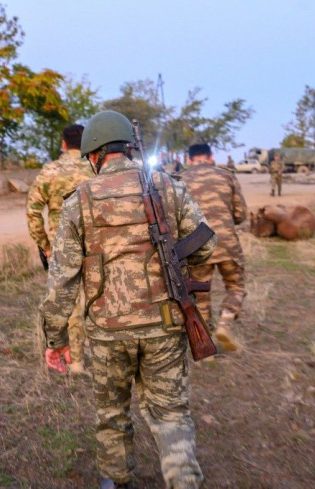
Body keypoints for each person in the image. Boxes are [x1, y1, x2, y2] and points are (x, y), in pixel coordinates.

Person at [40, 110, 216, 489]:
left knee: (111, 413)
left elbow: (61, 282)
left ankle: (117, 481)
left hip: (107, 334)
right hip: (165, 326)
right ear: (130, 147)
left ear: (93, 155)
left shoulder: (79, 201)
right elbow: (206, 246)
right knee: (171, 414)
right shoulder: (168, 185)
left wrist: (56, 340)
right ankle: (183, 481)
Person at [26, 124, 94, 373]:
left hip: (62, 246)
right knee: (99, 299)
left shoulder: (50, 171)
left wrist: (44, 244)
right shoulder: (97, 168)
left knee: (72, 303)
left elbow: (32, 210)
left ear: (63, 144)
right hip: (97, 245)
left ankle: (76, 361)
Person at [179, 143, 247, 352]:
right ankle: (225, 323)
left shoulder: (179, 180)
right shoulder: (227, 176)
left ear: (188, 160)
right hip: (227, 243)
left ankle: (204, 341)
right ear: (211, 157)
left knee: (200, 294)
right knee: (236, 287)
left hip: (196, 246)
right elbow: (240, 215)